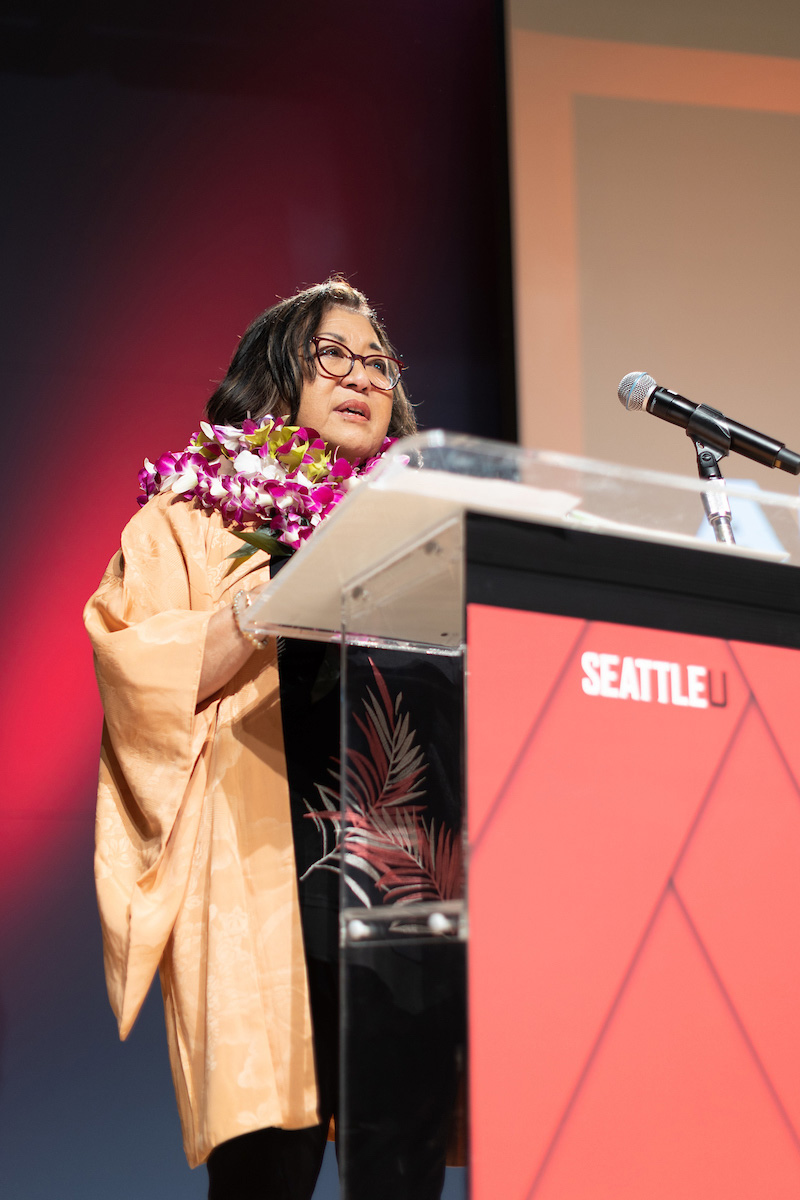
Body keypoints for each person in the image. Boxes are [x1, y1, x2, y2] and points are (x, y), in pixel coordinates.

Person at [84, 278, 465, 1200]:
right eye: (333, 354)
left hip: (405, 889)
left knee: (404, 1170)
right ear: (280, 374)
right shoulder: (191, 518)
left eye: (378, 362)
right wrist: (275, 599)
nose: (361, 376)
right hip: (267, 892)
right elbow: (138, 672)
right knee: (267, 1171)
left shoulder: (428, 537)